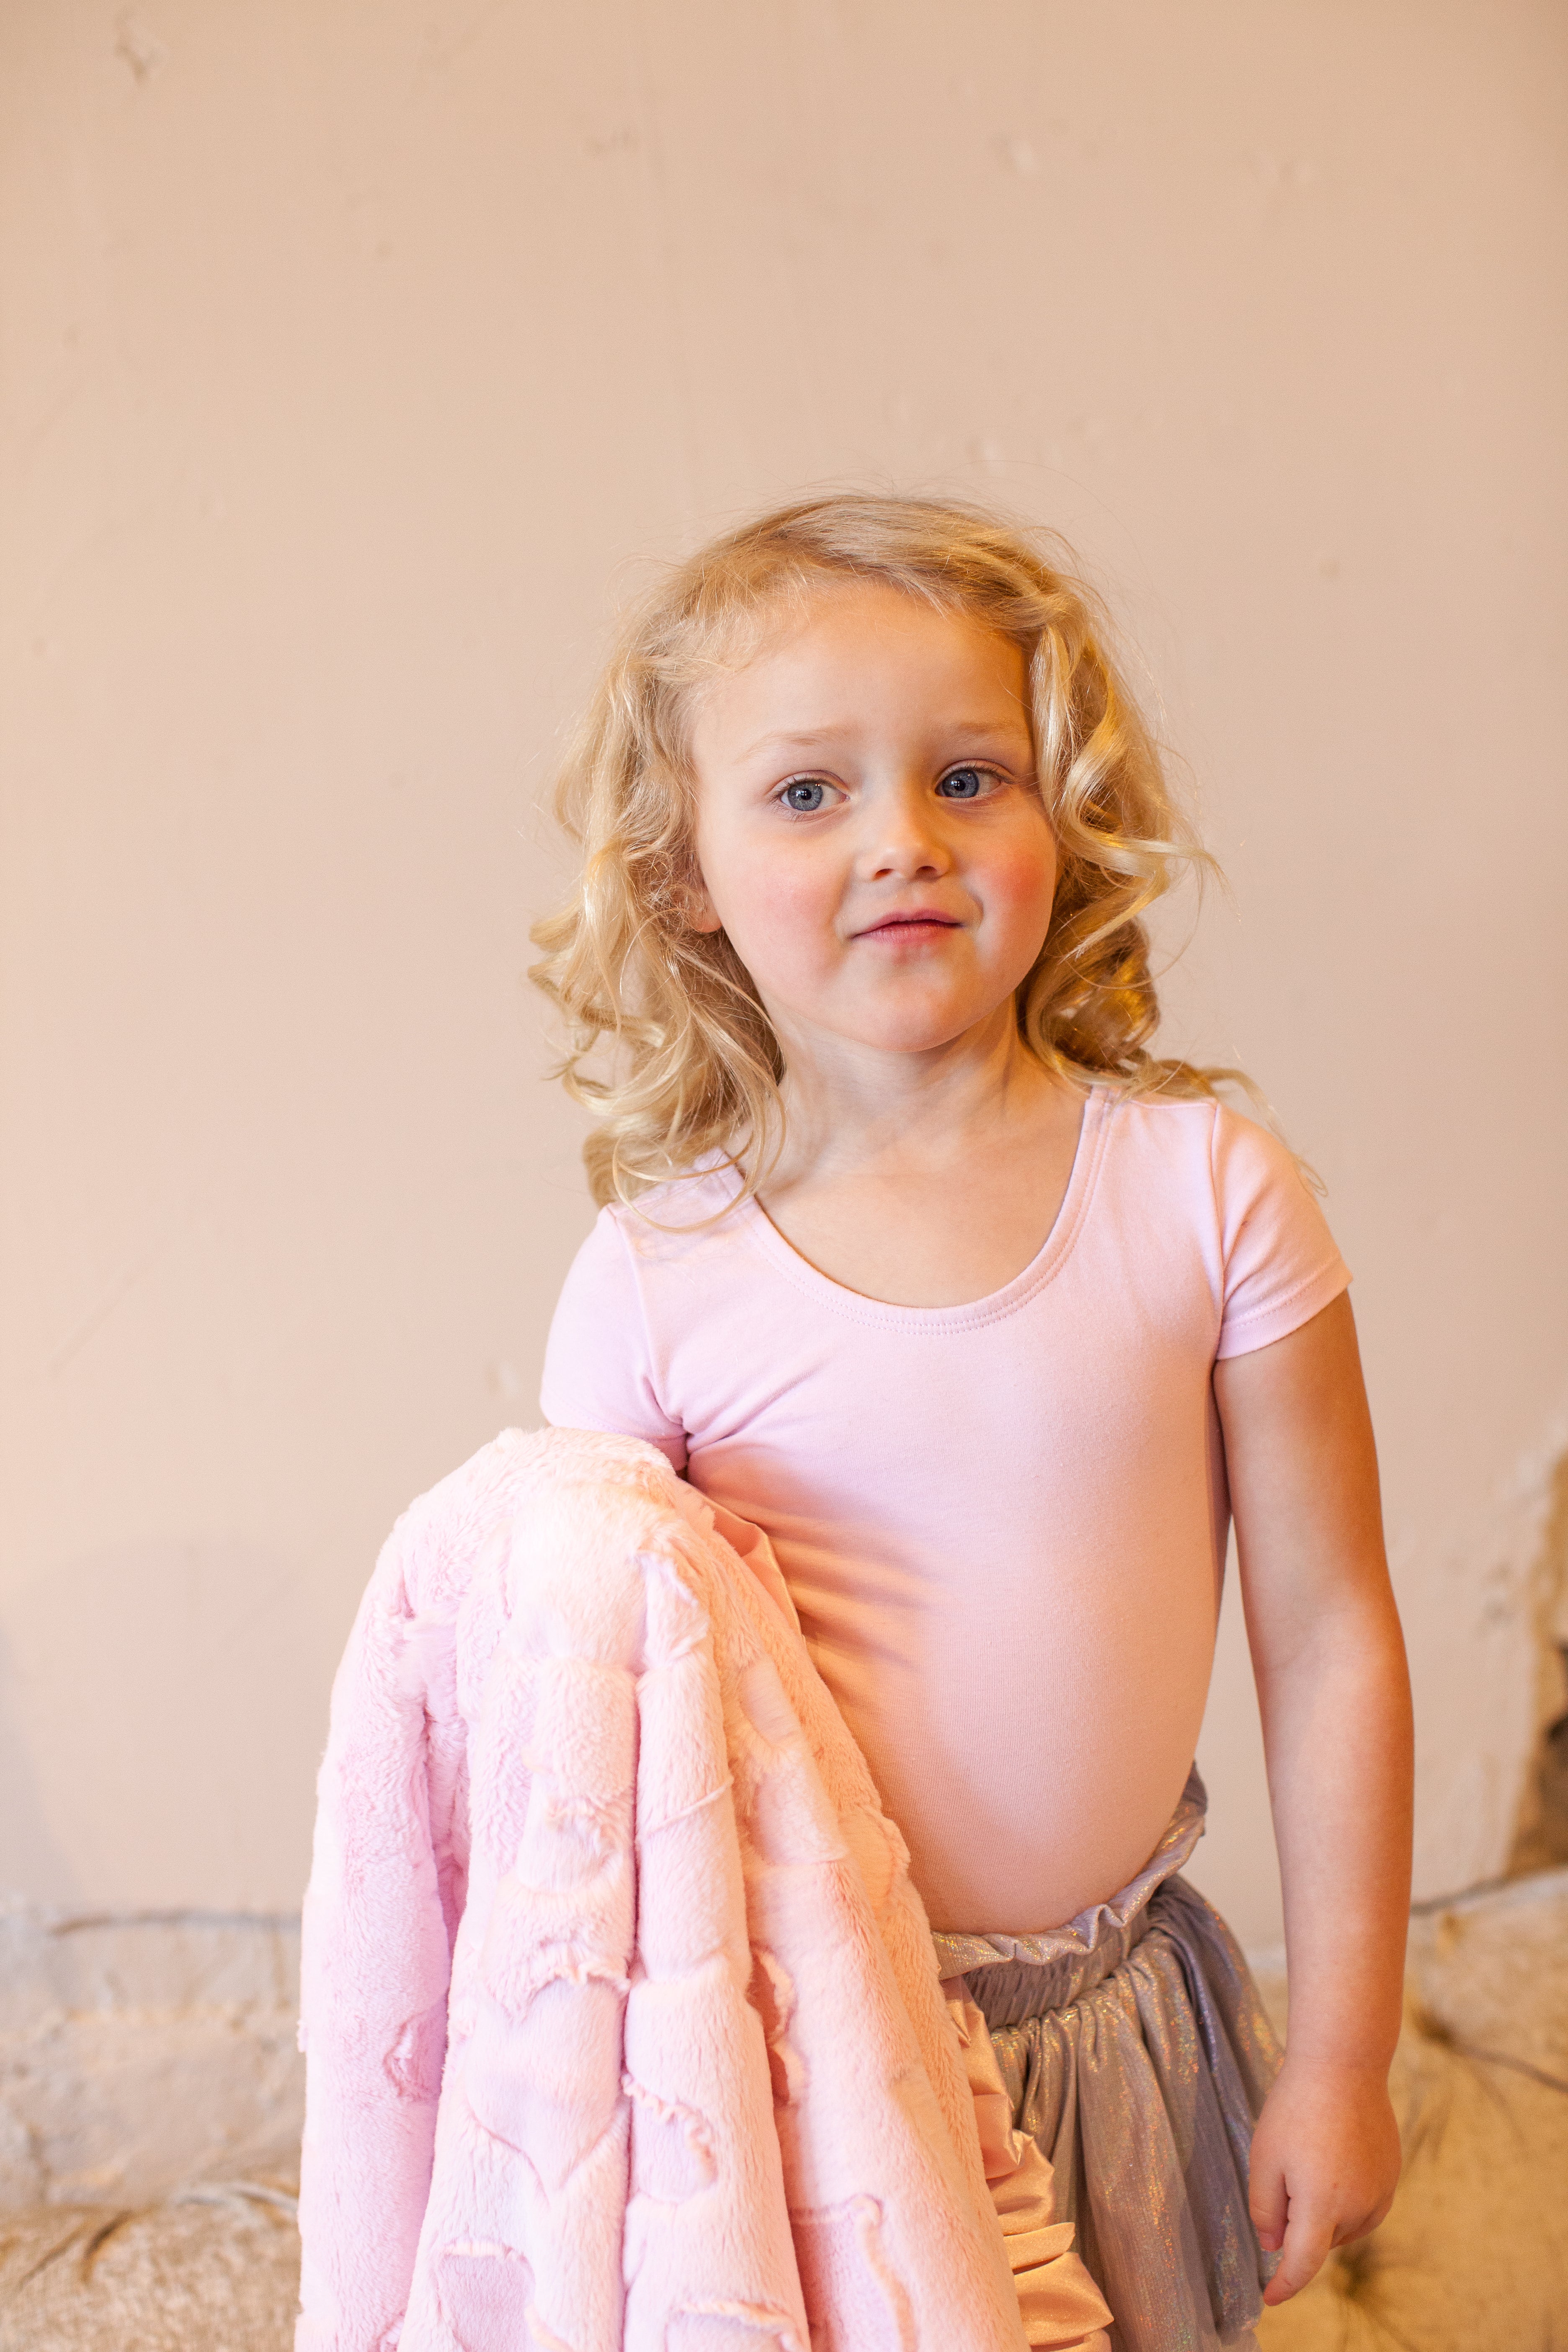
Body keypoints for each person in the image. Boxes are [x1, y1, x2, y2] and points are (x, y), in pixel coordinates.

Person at [531, 493, 1413, 2349]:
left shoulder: (1208, 1195)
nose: (902, 842)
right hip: (813, 2068)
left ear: (1060, 816)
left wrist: (1344, 2057)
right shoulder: (655, 1283)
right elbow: (600, 1756)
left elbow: (1333, 1631)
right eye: (808, 792)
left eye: (967, 777)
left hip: (1124, 2042)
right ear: (682, 870)